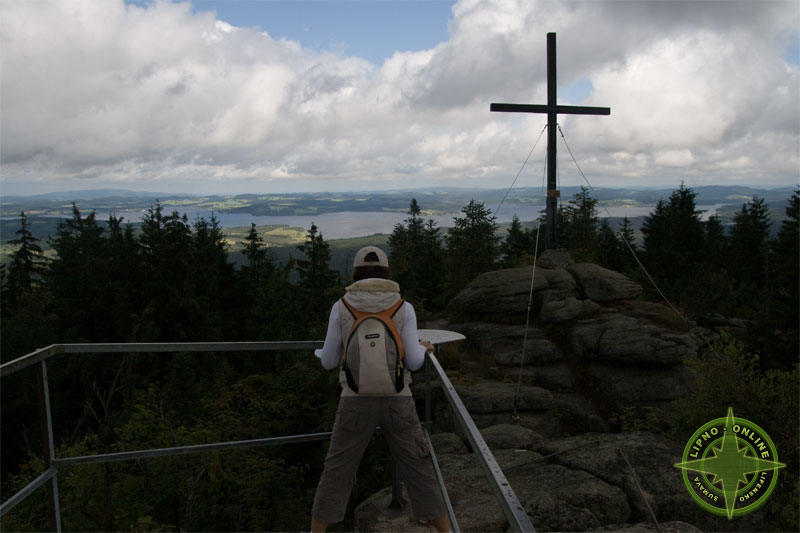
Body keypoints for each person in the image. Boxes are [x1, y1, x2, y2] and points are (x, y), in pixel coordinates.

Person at [310, 246, 450, 533]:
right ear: (387, 273)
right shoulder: (403, 307)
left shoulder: (341, 306)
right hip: (398, 400)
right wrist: (424, 349)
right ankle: (446, 531)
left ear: (356, 272)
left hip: (354, 401)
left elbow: (328, 362)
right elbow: (412, 360)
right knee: (419, 468)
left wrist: (320, 352)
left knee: (337, 471)